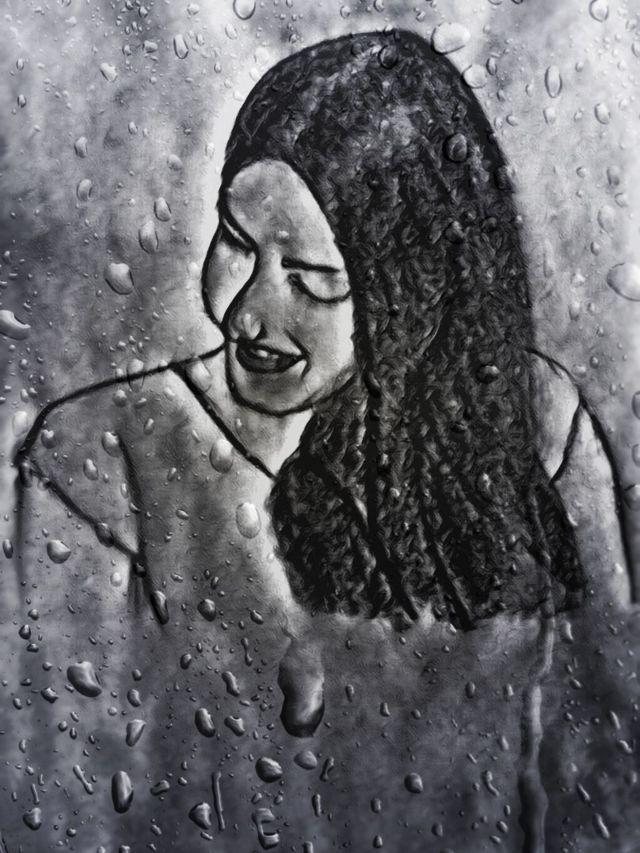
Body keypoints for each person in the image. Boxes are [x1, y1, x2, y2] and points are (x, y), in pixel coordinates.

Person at [5, 29, 634, 852]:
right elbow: (57, 796)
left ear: (410, 289)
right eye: (237, 243)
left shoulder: (538, 421)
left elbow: (606, 758)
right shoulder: (100, 453)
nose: (249, 312)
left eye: (314, 281)